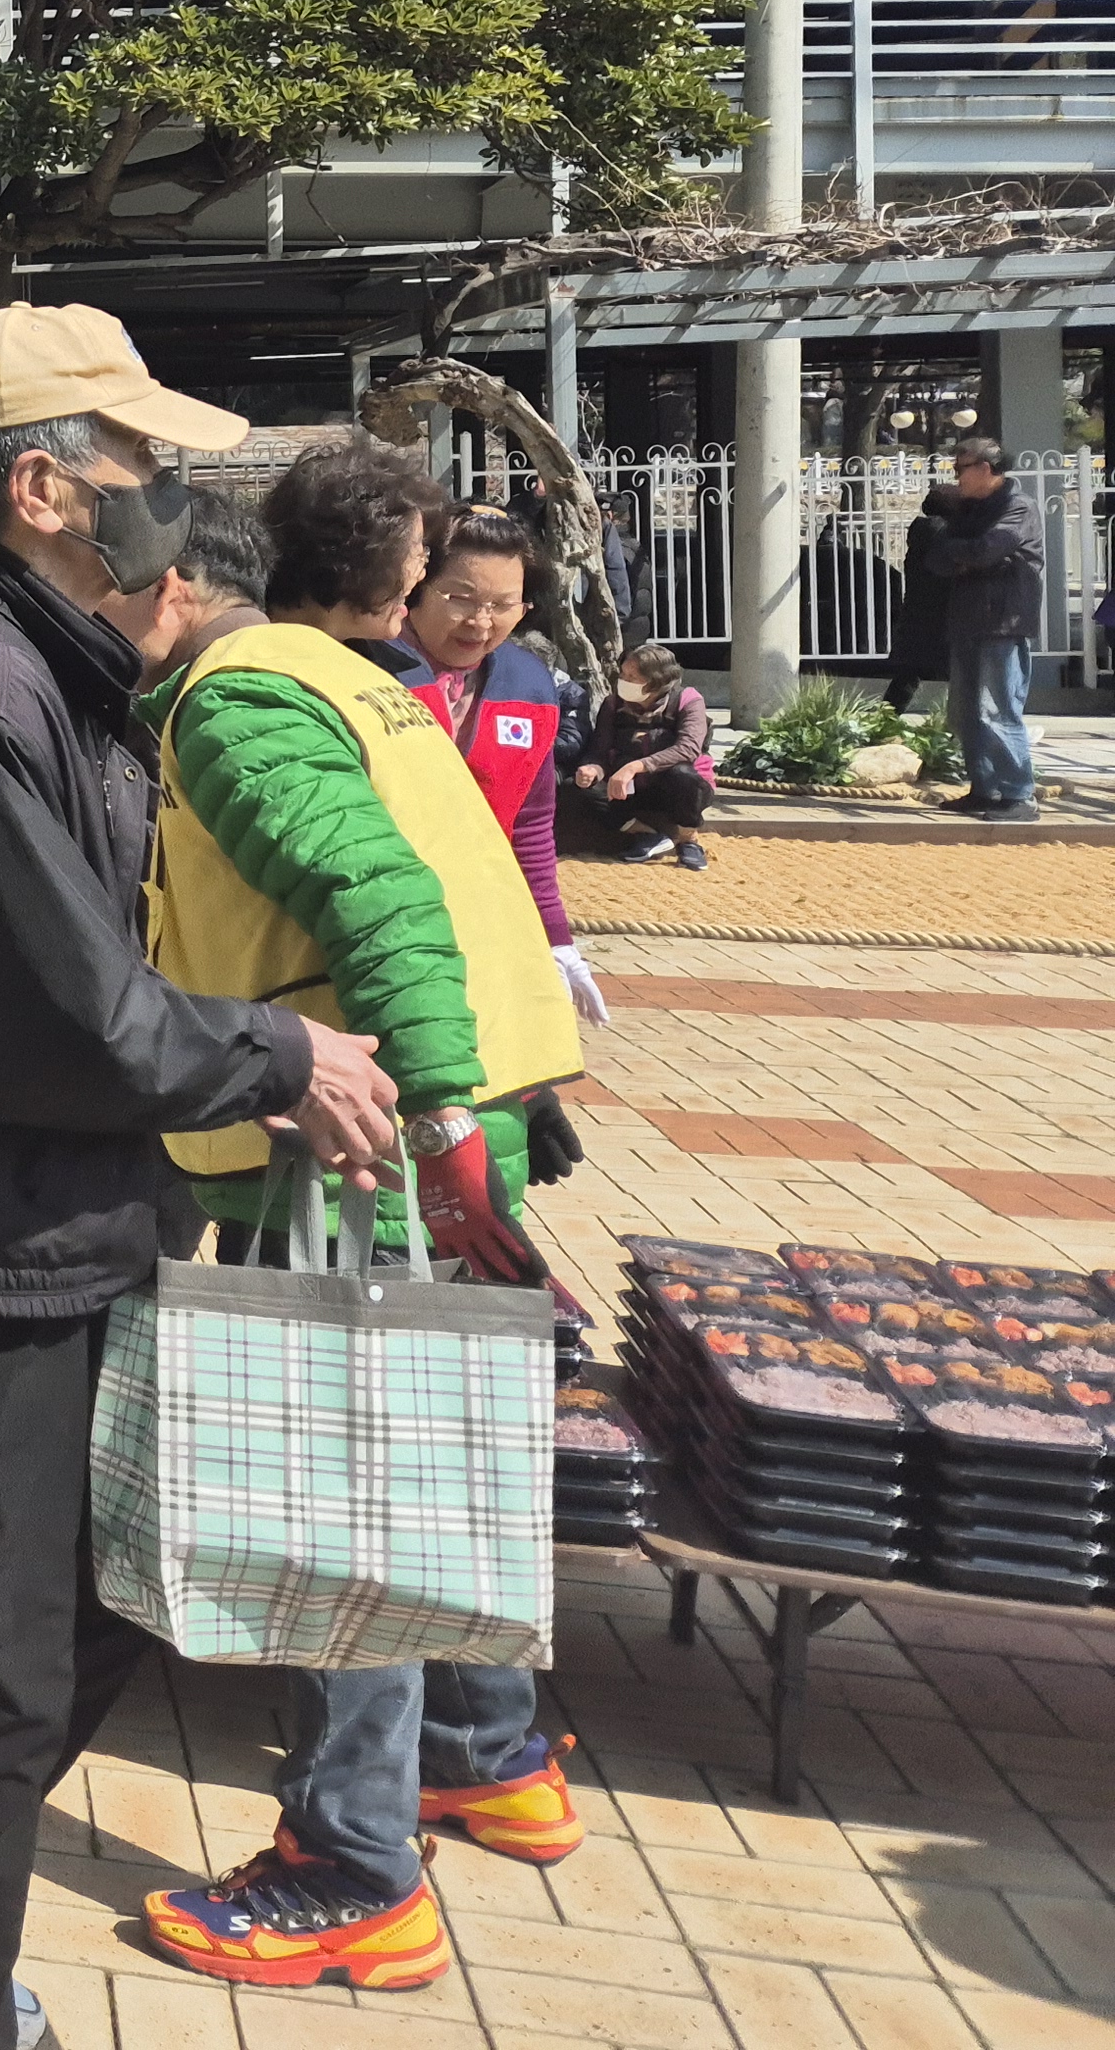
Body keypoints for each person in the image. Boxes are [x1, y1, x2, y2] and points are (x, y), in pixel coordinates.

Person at [0, 306, 395, 2050]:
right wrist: (281, 1058)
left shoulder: (33, 670)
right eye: (139, 459)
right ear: (43, 488)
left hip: (55, 1235)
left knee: (110, 1605)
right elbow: (64, 1023)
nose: (165, 490)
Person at [130, 441, 586, 1994]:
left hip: (361, 1142)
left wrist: (436, 1117)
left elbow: (378, 896)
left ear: (175, 589)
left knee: (344, 1501)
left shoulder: (245, 699)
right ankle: (485, 1756)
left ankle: (351, 1867)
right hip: (445, 1120)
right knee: (437, 1459)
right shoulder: (369, 685)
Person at [398, 507, 612, 1027]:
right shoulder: (365, 665)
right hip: (381, 915)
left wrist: (555, 939)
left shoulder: (530, 686)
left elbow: (530, 826)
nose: (480, 622)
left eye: (502, 605)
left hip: (479, 922)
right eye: (460, 599)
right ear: (416, 586)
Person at [928, 434, 1044, 819]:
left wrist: (970, 557)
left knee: (997, 709)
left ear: (984, 468)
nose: (956, 476)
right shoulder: (968, 511)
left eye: (961, 468)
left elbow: (987, 549)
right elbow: (937, 558)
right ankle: (985, 789)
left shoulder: (1019, 506)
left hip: (1003, 622)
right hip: (966, 620)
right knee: (966, 712)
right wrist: (969, 557)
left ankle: (1018, 796)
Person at [574, 640, 716, 865]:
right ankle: (647, 835)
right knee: (579, 787)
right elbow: (599, 750)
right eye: (623, 674)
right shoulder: (613, 704)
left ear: (655, 681)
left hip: (676, 787)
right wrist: (592, 769)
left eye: (632, 677)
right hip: (630, 789)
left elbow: (688, 748)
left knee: (683, 775)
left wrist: (635, 767)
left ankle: (688, 840)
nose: (624, 681)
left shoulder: (687, 700)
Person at [884, 488, 950, 716]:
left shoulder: (923, 532)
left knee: (906, 677)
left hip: (917, 615)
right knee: (961, 675)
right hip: (940, 616)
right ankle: (956, 727)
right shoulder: (941, 532)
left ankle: (883, 722)